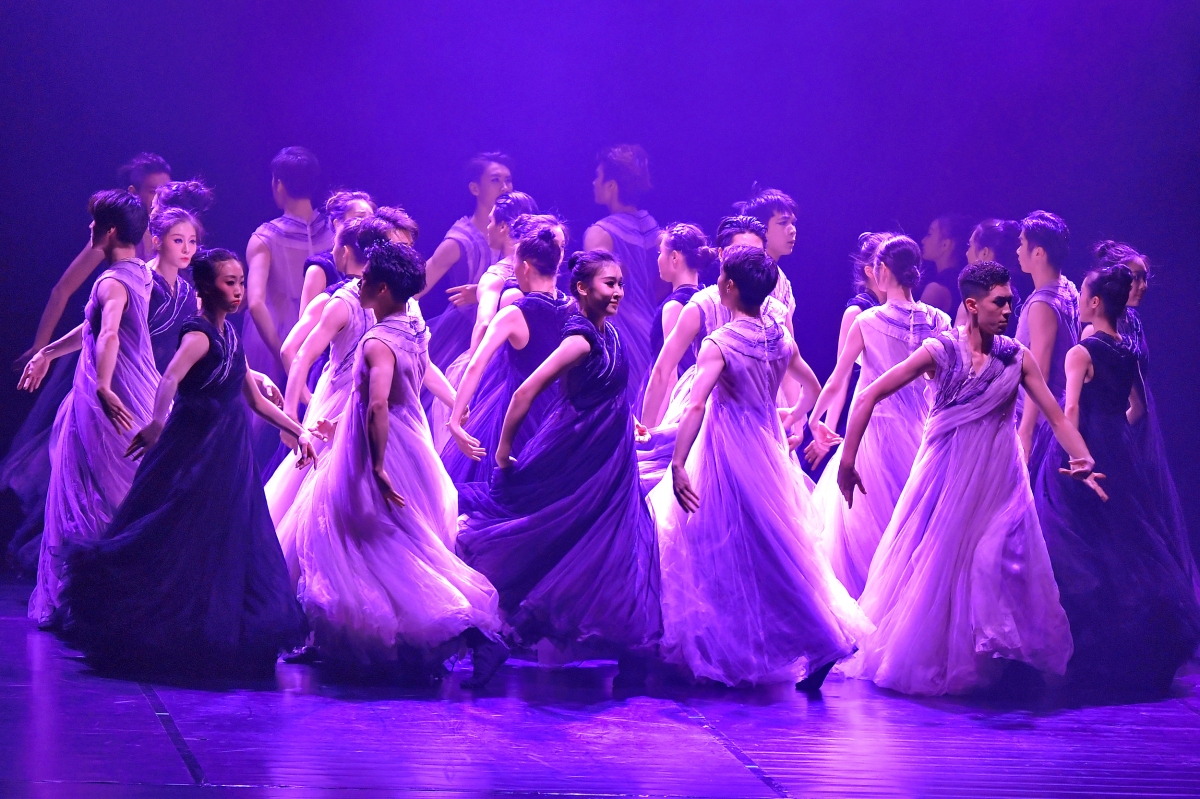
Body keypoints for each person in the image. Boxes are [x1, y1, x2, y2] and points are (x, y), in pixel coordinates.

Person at [837, 261, 1102, 696]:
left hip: (1000, 479)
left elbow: (1055, 415)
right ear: (973, 305)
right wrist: (847, 462)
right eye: (999, 302)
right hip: (947, 476)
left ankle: (999, 657)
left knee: (995, 559)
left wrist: (1082, 456)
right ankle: (956, 661)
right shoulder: (941, 350)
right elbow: (869, 394)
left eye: (1010, 302)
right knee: (943, 566)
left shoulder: (1016, 357)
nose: (1008, 310)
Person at [55, 250, 313, 677]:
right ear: (206, 287)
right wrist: (157, 423)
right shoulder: (199, 334)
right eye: (229, 282)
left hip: (229, 452)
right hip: (196, 446)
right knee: (176, 530)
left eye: (241, 282)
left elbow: (254, 399)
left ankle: (213, 630)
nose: (238, 290)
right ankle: (155, 627)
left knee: (224, 538)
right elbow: (171, 377)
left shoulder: (230, 336)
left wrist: (298, 430)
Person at [277, 241, 507, 687]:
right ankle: (334, 642)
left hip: (383, 450)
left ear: (382, 288)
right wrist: (338, 423)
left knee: (394, 547)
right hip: (408, 440)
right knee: (372, 543)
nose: (358, 284)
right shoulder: (414, 328)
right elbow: (390, 393)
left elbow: (379, 404)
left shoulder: (378, 340)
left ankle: (475, 634)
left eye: (366, 279)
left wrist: (378, 466)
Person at [649, 245, 867, 690]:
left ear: (729, 286)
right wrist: (794, 414)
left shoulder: (721, 342)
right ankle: (815, 637)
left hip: (727, 450)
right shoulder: (778, 337)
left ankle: (764, 643)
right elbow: (812, 385)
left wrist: (678, 461)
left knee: (718, 541)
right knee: (774, 544)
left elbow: (695, 405)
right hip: (766, 447)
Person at [457, 251, 662, 678]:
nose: (618, 292)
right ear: (582, 288)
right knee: (546, 536)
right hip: (577, 454)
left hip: (611, 459)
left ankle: (627, 644)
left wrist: (630, 419)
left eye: (621, 284)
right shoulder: (579, 340)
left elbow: (609, 388)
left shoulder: (611, 334)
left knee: (609, 542)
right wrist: (502, 452)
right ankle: (488, 634)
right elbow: (524, 392)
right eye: (609, 284)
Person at [1034, 262, 1200, 697]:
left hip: (1082, 452)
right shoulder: (1127, 351)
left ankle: (1081, 652)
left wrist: (1077, 453)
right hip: (1118, 450)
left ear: (1093, 302)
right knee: (1122, 543)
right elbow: (1138, 409)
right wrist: (1114, 432)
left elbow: (1069, 410)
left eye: (1081, 295)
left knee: (1073, 541)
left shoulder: (1081, 351)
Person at [17, 191, 160, 626]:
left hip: (110, 399)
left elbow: (109, 332)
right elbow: (93, 326)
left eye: (95, 223)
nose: (90, 228)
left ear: (110, 231)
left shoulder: (111, 281)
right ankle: (110, 594)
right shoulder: (140, 272)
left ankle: (96, 599)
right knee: (114, 488)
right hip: (135, 390)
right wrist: (47, 353)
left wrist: (101, 384)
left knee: (95, 492)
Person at [806, 236, 951, 598]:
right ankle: (902, 599)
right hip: (923, 432)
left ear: (883, 271)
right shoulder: (940, 320)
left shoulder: (868, 321)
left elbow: (839, 378)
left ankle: (868, 601)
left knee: (867, 525)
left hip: (878, 434)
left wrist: (813, 418)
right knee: (913, 523)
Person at [637, 218, 792, 491]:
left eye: (755, 254)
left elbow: (791, 365)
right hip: (710, 408)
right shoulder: (702, 304)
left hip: (763, 404)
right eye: (739, 252)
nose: (747, 261)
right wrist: (648, 436)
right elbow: (663, 371)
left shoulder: (776, 310)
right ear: (722, 255)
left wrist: (798, 418)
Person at [1095, 241, 1200, 582]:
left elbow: (1138, 390)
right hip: (1118, 425)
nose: (1142, 285)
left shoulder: (1133, 321)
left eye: (1144, 278)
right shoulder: (1101, 325)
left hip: (1136, 425)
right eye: (1134, 277)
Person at [443, 223, 571, 486]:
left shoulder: (515, 313)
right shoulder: (574, 308)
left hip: (520, 417)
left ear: (525, 267)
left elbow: (476, 364)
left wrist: (455, 419)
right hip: (562, 414)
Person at [243, 146, 333, 390]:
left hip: (275, 336)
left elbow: (255, 303)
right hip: (324, 330)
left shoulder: (265, 238)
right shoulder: (334, 230)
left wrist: (281, 354)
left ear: (279, 184)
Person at [801, 232, 888, 469]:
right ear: (871, 271)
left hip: (887, 405)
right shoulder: (857, 311)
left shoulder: (896, 309)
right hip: (856, 402)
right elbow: (842, 375)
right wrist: (828, 430)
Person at [583, 144, 662, 392]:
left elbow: (593, 295)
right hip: (652, 329)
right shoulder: (655, 229)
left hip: (620, 334)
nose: (593, 182)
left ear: (611, 186)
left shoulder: (600, 234)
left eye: (598, 176)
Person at [422, 153, 511, 372]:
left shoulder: (515, 234)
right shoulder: (460, 241)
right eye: (495, 180)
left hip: (507, 329)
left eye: (508, 180)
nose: (504, 187)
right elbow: (417, 285)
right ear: (475, 188)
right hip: (464, 335)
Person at [1014, 211, 1079, 474]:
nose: (1018, 251)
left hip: (1039, 418)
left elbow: (1039, 370)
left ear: (1038, 252)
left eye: (1021, 243)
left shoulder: (1043, 304)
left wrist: (1026, 430)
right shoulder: (1069, 288)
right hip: (1056, 409)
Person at [639, 223, 715, 422]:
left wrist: (652, 427)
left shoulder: (675, 306)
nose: (658, 259)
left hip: (677, 401)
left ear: (674, 257)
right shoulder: (708, 300)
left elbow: (668, 374)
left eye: (660, 252)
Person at [298, 190, 377, 311]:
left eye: (370, 218)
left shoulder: (376, 264)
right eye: (360, 217)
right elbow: (306, 318)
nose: (367, 223)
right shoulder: (320, 268)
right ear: (338, 224)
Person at [145, 206, 200, 373]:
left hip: (171, 379)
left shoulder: (186, 292)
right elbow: (101, 325)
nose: (187, 249)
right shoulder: (141, 281)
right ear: (157, 242)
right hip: (134, 377)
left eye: (192, 241)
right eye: (178, 240)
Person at [734, 186, 799, 315]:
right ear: (760, 227)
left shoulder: (783, 282)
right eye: (783, 223)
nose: (792, 230)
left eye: (793, 223)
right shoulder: (742, 271)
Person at [964, 219, 1028, 330]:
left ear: (984, 253)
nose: (966, 253)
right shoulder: (1015, 296)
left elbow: (960, 339)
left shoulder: (976, 299)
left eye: (970, 245)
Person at [917, 213, 973, 319]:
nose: (923, 241)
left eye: (929, 234)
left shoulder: (935, 290)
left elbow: (917, 328)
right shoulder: (965, 284)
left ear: (945, 244)